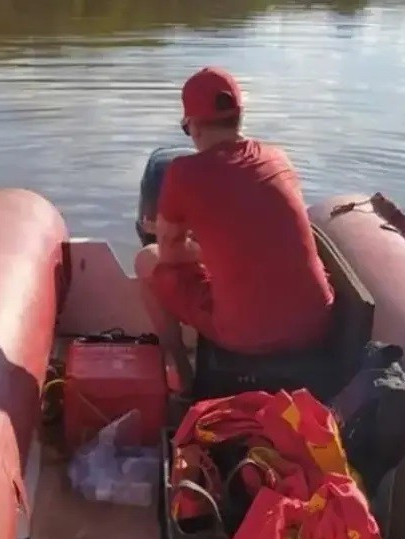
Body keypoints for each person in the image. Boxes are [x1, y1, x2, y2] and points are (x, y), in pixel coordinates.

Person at [134, 66, 334, 394]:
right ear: (238, 117)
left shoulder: (184, 172)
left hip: (247, 337)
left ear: (194, 127)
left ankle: (181, 373)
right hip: (316, 326)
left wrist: (199, 248)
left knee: (147, 260)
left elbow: (170, 254)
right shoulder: (278, 159)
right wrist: (212, 247)